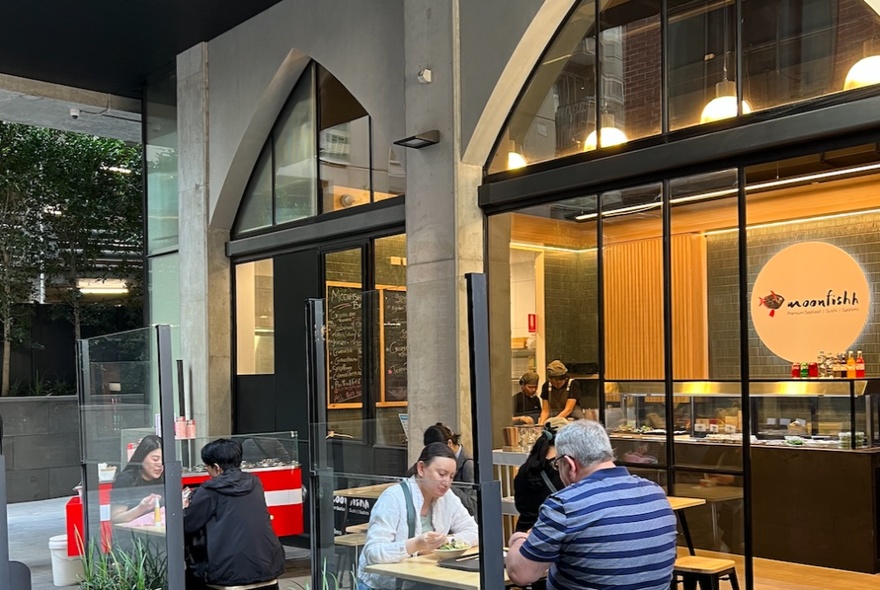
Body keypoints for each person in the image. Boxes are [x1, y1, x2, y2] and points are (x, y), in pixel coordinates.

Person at [505, 420, 678, 590]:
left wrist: (519, 537)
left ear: (569, 464)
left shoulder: (565, 504)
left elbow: (521, 575)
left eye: (558, 465)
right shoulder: (655, 493)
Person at [357, 442, 478, 590]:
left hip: (425, 580)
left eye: (451, 476)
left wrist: (446, 542)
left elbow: (474, 532)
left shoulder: (448, 498)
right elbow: (373, 552)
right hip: (382, 585)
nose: (447, 482)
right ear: (421, 468)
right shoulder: (393, 497)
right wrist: (416, 545)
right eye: (441, 474)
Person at [183, 438, 284, 590]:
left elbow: (189, 524)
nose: (207, 472)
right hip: (266, 567)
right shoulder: (254, 483)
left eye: (207, 467)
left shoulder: (210, 490)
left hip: (227, 574)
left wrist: (186, 506)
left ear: (216, 468)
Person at [512, 419, 565, 533]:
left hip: (524, 532)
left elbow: (520, 504)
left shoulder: (525, 469)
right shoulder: (564, 471)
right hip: (549, 534)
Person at [423, 423, 476, 515]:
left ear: (450, 443)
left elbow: (473, 505)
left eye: (439, 452)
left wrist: (447, 484)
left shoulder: (468, 465)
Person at [110, 434, 165, 524]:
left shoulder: (166, 478)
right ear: (142, 458)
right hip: (134, 535)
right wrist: (141, 508)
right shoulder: (126, 479)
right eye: (155, 459)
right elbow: (116, 517)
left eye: (163, 460)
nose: (160, 464)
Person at [537, 360, 584, 425]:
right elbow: (545, 410)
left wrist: (553, 422)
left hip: (573, 420)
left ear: (565, 379)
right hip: (554, 418)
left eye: (559, 383)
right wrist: (541, 424)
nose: (556, 385)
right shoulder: (546, 386)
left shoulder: (573, 384)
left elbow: (568, 409)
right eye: (553, 383)